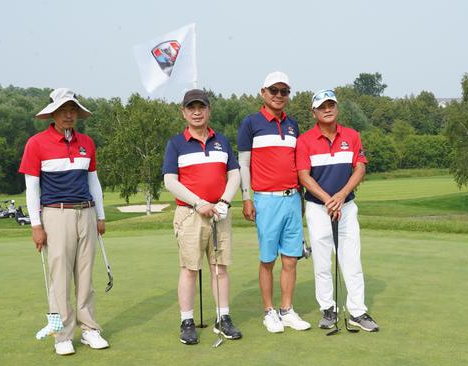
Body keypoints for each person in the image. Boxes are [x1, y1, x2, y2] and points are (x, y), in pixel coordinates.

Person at [19, 88, 110, 355]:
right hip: (55, 214)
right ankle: (62, 336)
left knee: (85, 275)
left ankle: (89, 329)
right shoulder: (36, 143)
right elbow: (32, 188)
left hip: (86, 212)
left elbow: (93, 182)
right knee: (59, 277)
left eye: (72, 110)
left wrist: (101, 215)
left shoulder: (87, 143)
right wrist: (36, 225)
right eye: (63, 111)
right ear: (53, 114)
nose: (68, 115)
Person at [162, 89, 242, 345]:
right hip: (190, 214)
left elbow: (234, 174)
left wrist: (225, 202)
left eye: (201, 107)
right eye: (191, 108)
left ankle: (223, 317)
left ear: (209, 110)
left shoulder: (222, 141)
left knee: (220, 268)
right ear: (183, 112)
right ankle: (187, 321)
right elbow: (170, 181)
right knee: (189, 269)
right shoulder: (176, 143)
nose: (196, 112)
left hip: (220, 213)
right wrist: (198, 203)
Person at [296, 89, 379, 332]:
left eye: (331, 105)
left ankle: (357, 311)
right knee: (322, 263)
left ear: (337, 108)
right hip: (318, 209)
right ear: (314, 113)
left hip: (347, 207)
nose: (327, 110)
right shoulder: (305, 141)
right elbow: (303, 176)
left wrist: (341, 196)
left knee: (352, 260)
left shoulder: (352, 136)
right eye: (322, 107)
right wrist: (327, 199)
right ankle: (328, 310)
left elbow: (360, 168)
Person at [237, 72, 311, 333]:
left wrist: (301, 197)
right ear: (263, 92)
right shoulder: (251, 123)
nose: (279, 96)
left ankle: (287, 310)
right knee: (268, 260)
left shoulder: (293, 125)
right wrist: (246, 197)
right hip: (266, 200)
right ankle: (269, 311)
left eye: (284, 91)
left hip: (292, 199)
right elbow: (244, 163)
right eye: (274, 91)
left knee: (291, 259)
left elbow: (296, 163)